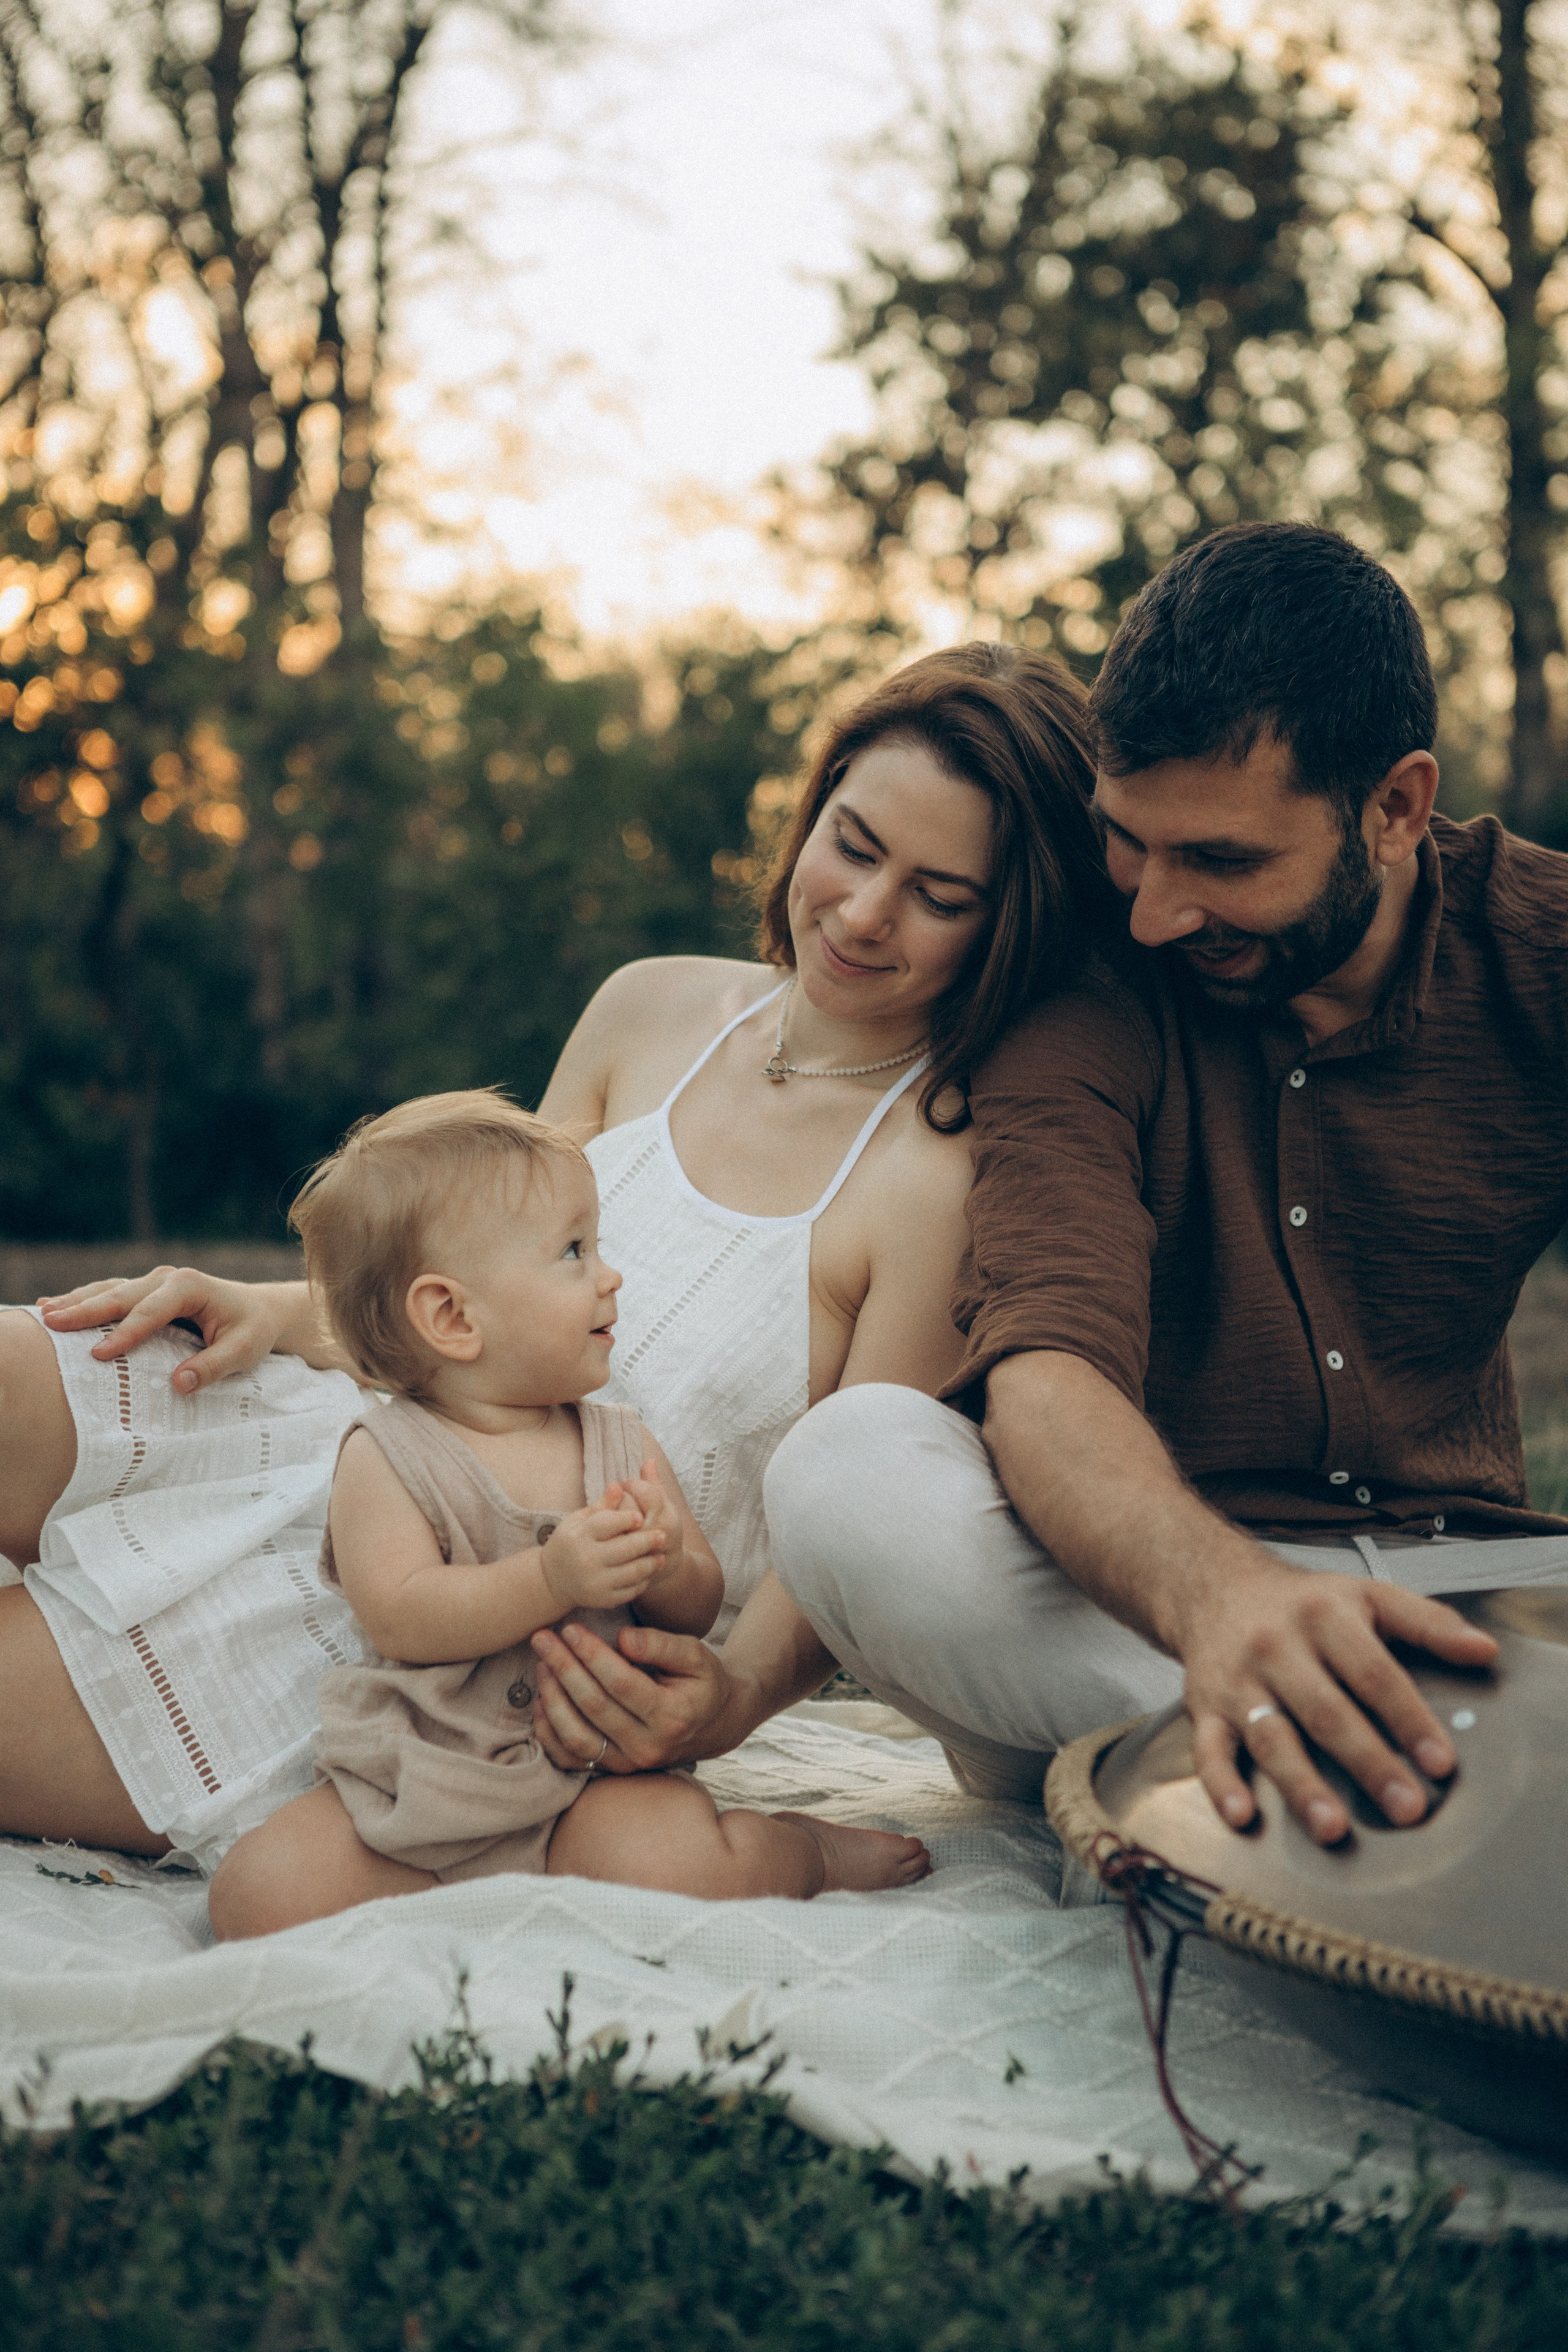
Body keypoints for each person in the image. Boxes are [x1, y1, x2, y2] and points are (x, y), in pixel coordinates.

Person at [0, 641, 1107, 1871]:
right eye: (851, 844)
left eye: (938, 894)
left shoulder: (943, 1179)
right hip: (360, 1429)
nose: (860, 912)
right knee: (14, 1370)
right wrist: (278, 1308)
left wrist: (727, 1698)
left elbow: (839, 1539)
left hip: (496, 1604)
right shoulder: (650, 1005)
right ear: (813, 809)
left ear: (1014, 922)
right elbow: (478, 1267)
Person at [752, 522, 1568, 1849]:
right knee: (847, 1478)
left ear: (1395, 808)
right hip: (1138, 1596)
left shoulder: (1540, 954)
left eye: (1221, 863)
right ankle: (1413, 1791)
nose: (1151, 912)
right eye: (1130, 844)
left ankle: (1214, 1794)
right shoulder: (1085, 991)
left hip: (1478, 1590)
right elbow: (1046, 1372)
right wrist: (1221, 1607)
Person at [207, 1094, 928, 1937]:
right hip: (429, 1778)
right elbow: (401, 1613)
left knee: (680, 1870)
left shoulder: (620, 1443)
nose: (610, 1275)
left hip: (600, 1773)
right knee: (257, 1896)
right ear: (453, 1317)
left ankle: (804, 1854)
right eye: (574, 1252)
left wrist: (666, 1568)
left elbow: (699, 1604)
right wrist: (552, 1576)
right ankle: (466, 1899)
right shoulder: (388, 1452)